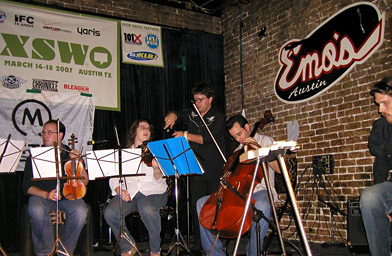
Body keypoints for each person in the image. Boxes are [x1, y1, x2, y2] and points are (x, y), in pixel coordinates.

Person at [196, 114, 281, 256]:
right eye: (234, 137)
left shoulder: (266, 140)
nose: (238, 139)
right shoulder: (237, 151)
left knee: (262, 205)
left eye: (239, 134)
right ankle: (215, 253)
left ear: (247, 127)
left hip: (260, 191)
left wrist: (258, 148)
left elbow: (279, 168)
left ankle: (253, 253)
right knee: (201, 204)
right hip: (238, 193)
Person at [164, 82, 226, 249]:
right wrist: (172, 116)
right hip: (195, 169)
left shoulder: (218, 117)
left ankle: (217, 244)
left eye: (201, 100)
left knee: (214, 207)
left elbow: (207, 139)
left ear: (210, 99)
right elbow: (178, 114)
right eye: (195, 100)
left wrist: (185, 135)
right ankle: (200, 245)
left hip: (214, 169)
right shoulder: (192, 113)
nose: (197, 103)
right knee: (196, 207)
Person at [22, 120, 89, 256]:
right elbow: (27, 187)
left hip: (67, 196)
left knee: (81, 210)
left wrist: (79, 162)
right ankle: (45, 252)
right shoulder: (35, 155)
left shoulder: (70, 154)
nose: (45, 136)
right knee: (36, 209)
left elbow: (85, 182)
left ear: (60, 135)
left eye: (50, 133)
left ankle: (65, 251)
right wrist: (46, 195)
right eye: (44, 133)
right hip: (42, 196)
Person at [104, 119, 168, 256]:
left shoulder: (156, 151)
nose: (146, 130)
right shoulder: (124, 153)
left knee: (147, 208)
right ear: (134, 132)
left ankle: (155, 250)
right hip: (131, 192)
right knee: (110, 213)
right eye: (142, 127)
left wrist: (157, 169)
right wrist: (118, 190)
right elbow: (114, 177)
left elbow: (159, 178)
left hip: (154, 191)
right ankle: (127, 246)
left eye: (148, 128)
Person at [360, 76, 392, 256]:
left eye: (385, 103)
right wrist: (384, 206)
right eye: (378, 104)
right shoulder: (381, 128)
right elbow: (381, 164)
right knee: (371, 197)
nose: (380, 110)